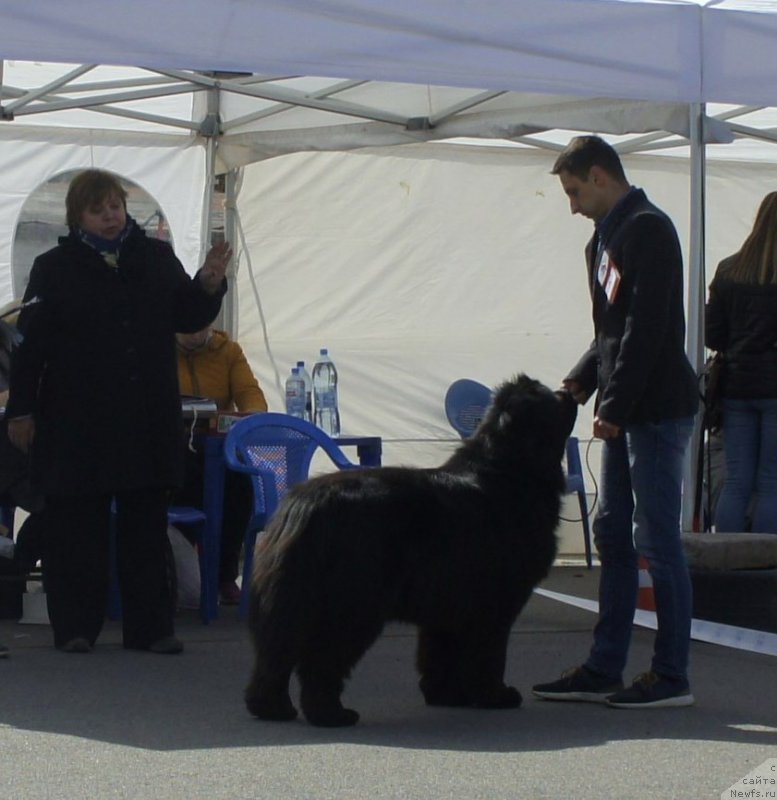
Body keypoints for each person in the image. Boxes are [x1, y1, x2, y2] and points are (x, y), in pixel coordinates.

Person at [5, 168, 231, 654]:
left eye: (115, 206)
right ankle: (76, 628)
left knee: (145, 525)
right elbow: (30, 346)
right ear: (77, 217)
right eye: (97, 209)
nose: (109, 216)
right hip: (76, 419)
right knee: (75, 526)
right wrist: (20, 410)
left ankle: (151, 629)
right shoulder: (53, 266)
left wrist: (210, 283)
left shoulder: (155, 256)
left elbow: (188, 315)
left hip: (146, 414)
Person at [532, 135, 699, 708]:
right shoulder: (604, 238)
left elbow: (649, 328)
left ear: (601, 176)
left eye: (575, 192)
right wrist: (584, 376)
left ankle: (671, 675)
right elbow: (613, 329)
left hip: (654, 411)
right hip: (629, 409)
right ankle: (605, 666)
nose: (572, 205)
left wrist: (614, 405)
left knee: (656, 539)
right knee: (612, 535)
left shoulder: (649, 229)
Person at [175, 324, 268, 604]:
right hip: (173, 448)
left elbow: (250, 394)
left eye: (200, 326)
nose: (194, 332)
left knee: (241, 482)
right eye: (186, 325)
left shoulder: (228, 351)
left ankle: (224, 575)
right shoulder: (156, 350)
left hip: (217, 447)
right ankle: (182, 568)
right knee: (184, 480)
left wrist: (250, 415)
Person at [705, 192, 777, 534]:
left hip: (735, 388)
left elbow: (712, 336)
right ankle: (767, 571)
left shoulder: (729, 270)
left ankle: (728, 560)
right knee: (771, 484)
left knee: (736, 482)